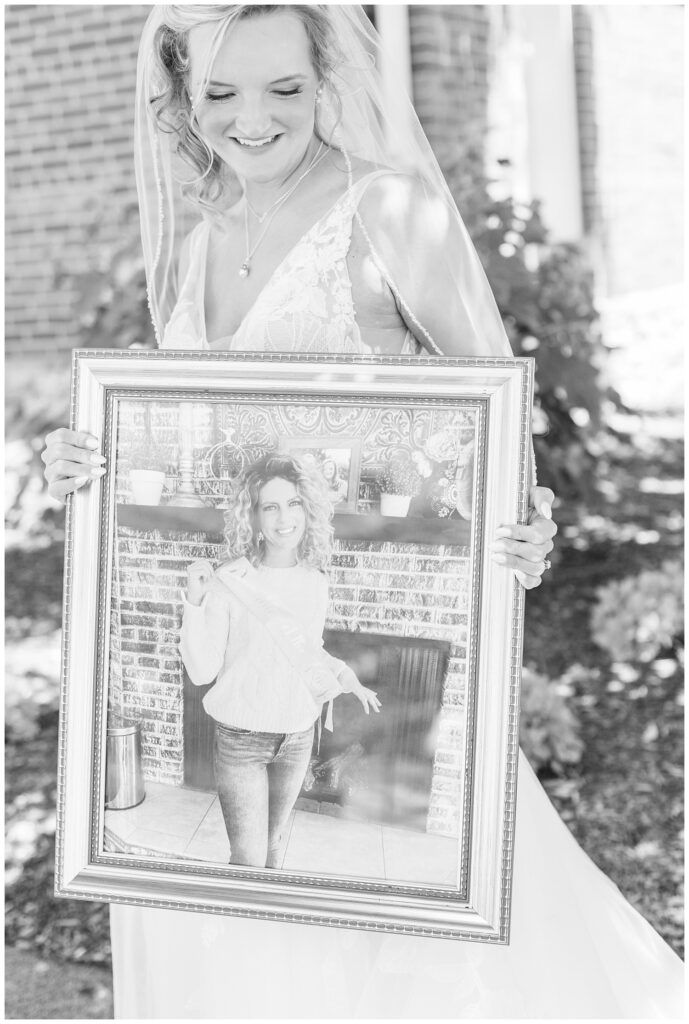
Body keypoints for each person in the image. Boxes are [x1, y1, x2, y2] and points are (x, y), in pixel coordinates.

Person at [41, 5, 682, 1018]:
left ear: (324, 77)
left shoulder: (387, 212)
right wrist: (86, 458)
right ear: (179, 88)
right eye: (220, 92)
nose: (253, 118)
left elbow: (493, 422)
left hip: (372, 632)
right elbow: (182, 451)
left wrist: (524, 522)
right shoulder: (194, 240)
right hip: (208, 671)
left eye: (283, 89)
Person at [179, 452, 380, 868]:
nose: (283, 517)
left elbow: (307, 651)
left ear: (308, 511)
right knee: (248, 858)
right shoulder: (229, 581)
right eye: (270, 506)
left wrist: (346, 677)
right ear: (253, 516)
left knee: (272, 846)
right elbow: (201, 672)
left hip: (296, 737)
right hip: (240, 741)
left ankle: (261, 930)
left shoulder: (315, 583)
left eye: (293, 504)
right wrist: (195, 603)